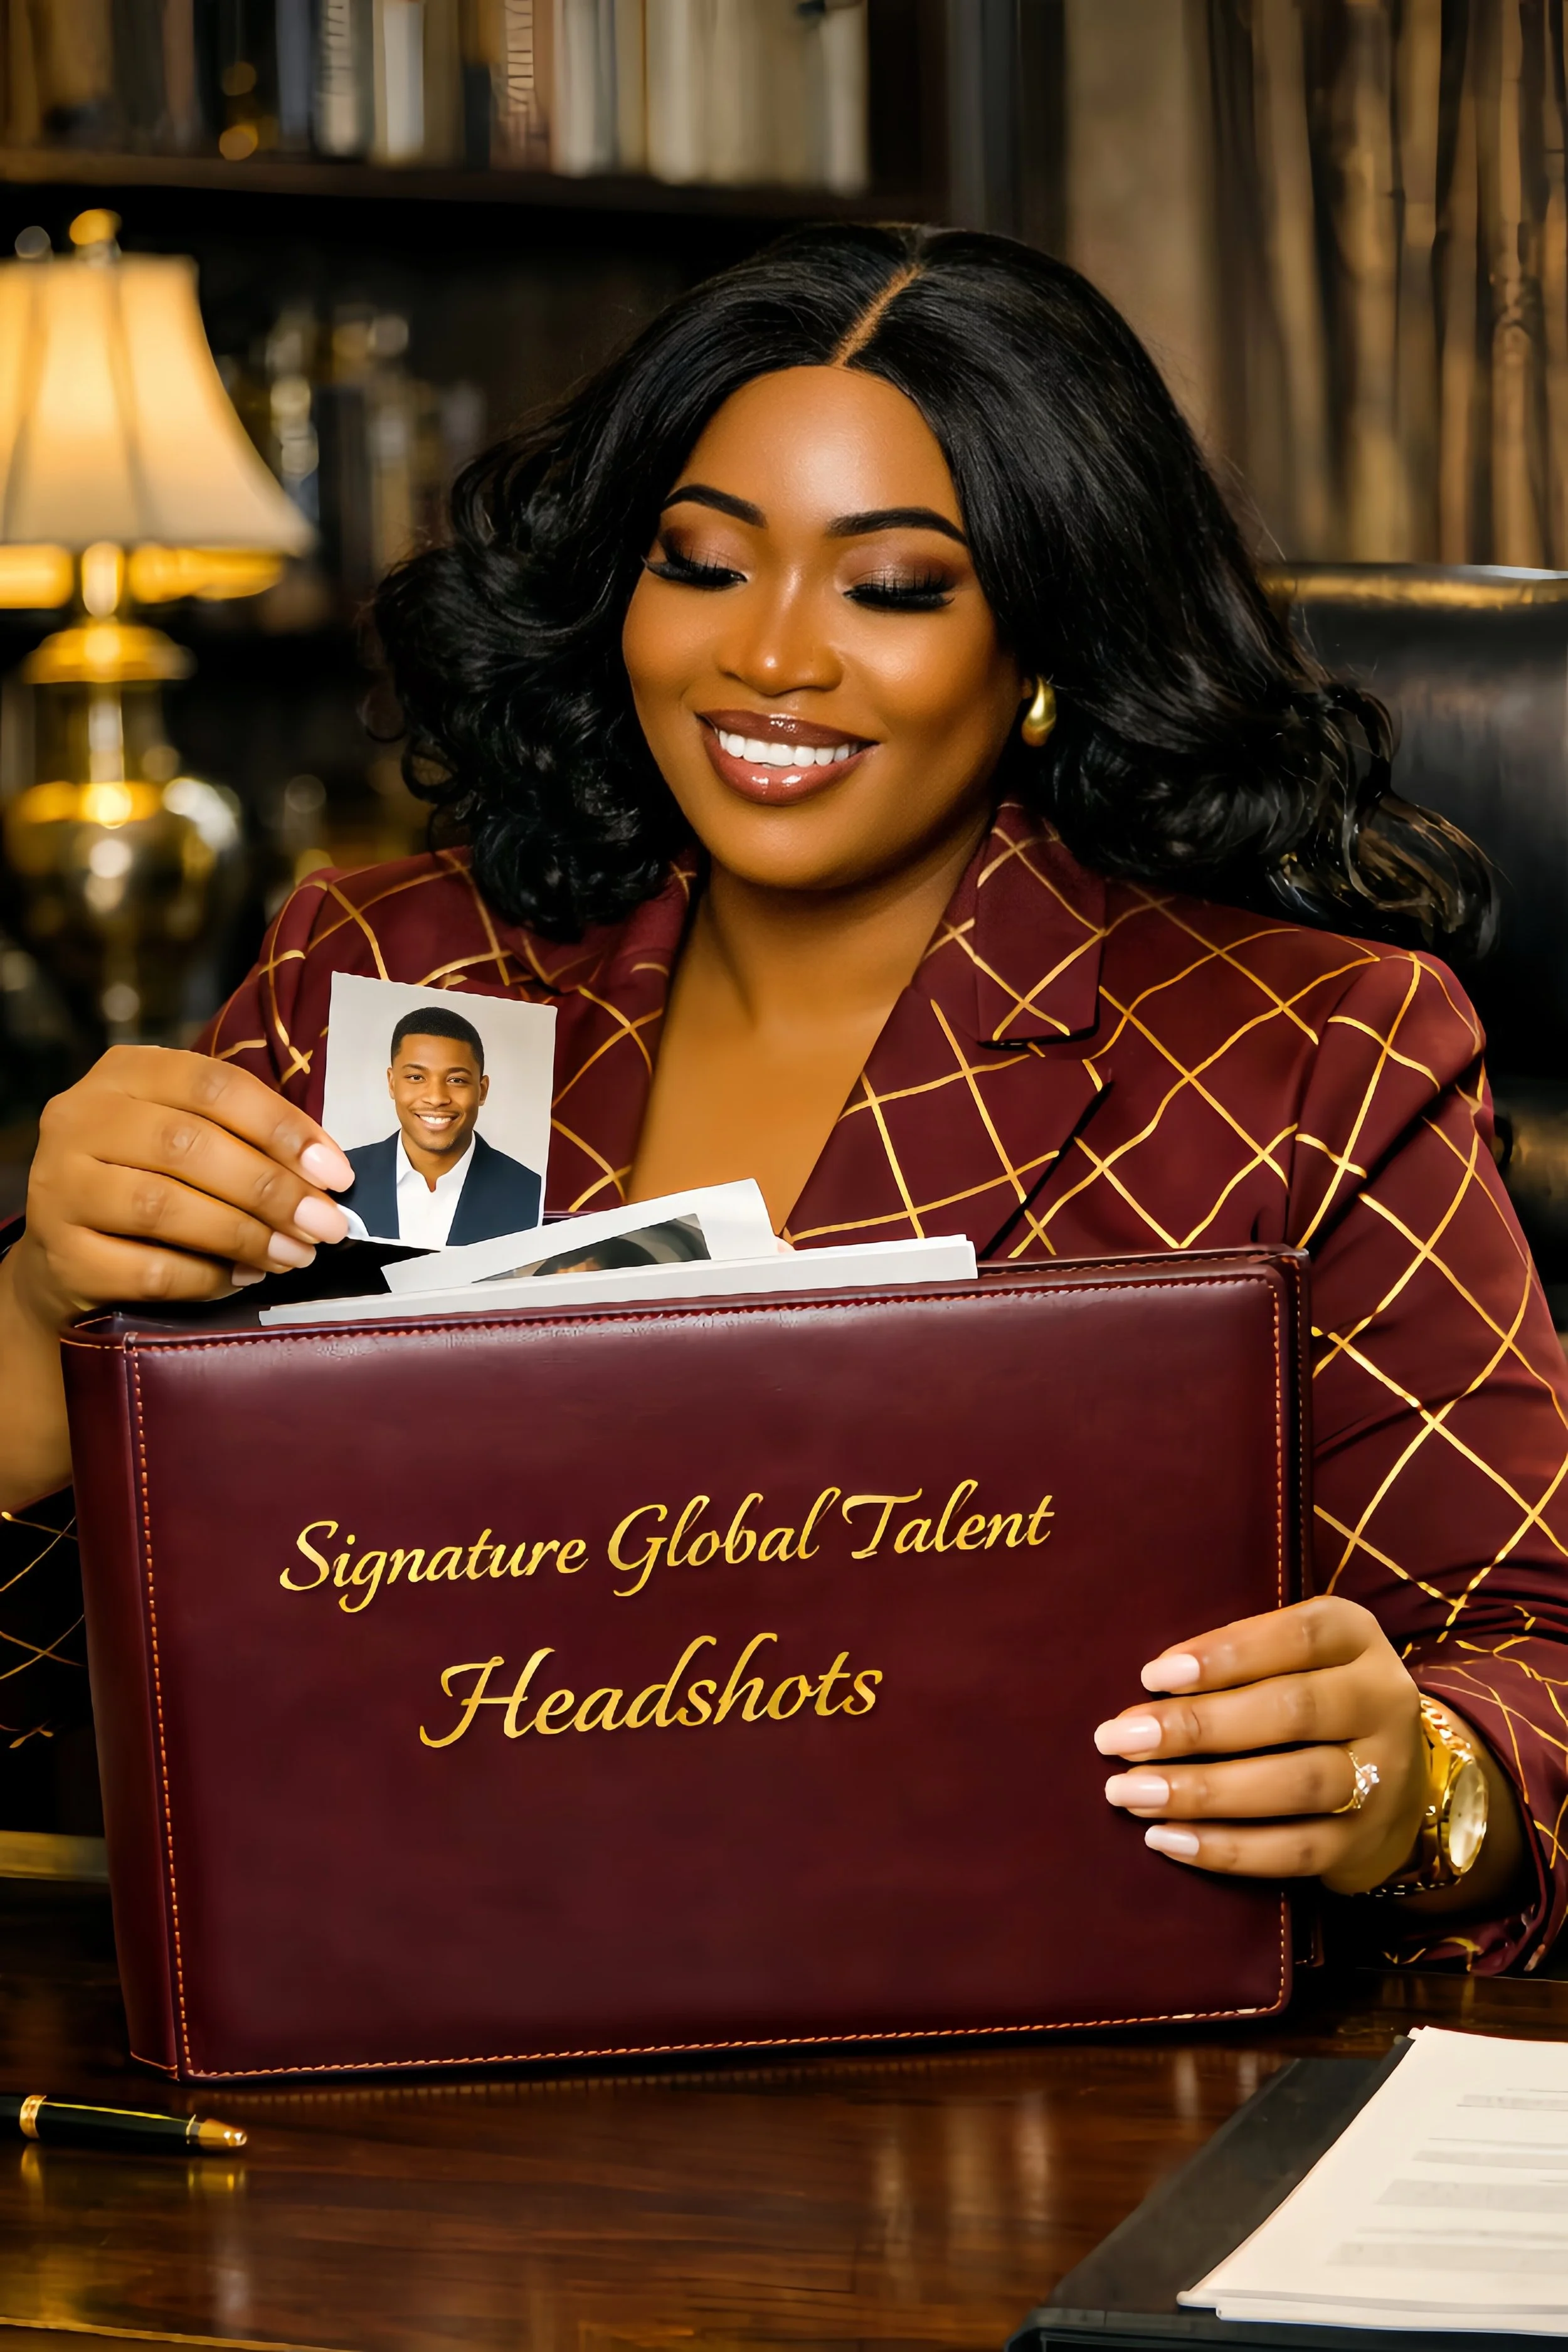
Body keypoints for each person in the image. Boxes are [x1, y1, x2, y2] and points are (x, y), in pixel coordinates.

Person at [2, 223, 1565, 1973]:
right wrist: (29, 1318)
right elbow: (93, 1677)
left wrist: (1413, 1780)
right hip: (416, 2066)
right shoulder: (385, 976)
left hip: (1024, 2093)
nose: (770, 657)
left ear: (1043, 633)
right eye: (700, 563)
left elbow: (1532, 1664)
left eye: (891, 585)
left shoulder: (1307, 1049)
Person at [338, 1004, 541, 1248]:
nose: (436, 1098)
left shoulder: (532, 1193)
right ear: (392, 1084)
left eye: (456, 1080)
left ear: (482, 1091)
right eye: (416, 1078)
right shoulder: (338, 1180)